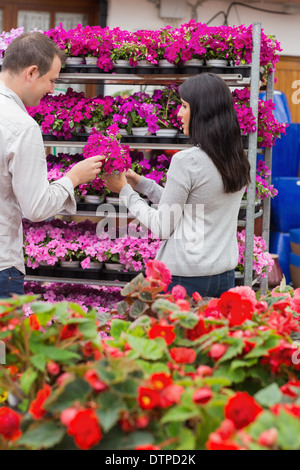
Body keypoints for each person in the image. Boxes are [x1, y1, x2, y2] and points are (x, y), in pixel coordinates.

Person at [103, 73, 251, 298]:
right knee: (214, 334)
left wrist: (124, 191)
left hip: (184, 279)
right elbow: (193, 204)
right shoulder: (237, 158)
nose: (179, 113)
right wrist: (139, 183)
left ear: (203, 112)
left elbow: (162, 226)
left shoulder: (187, 161)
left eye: (184, 106)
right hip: (224, 275)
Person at [0, 32, 103, 298]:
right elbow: (36, 208)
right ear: (32, 72)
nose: (52, 90)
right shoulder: (22, 127)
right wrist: (74, 177)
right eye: (51, 80)